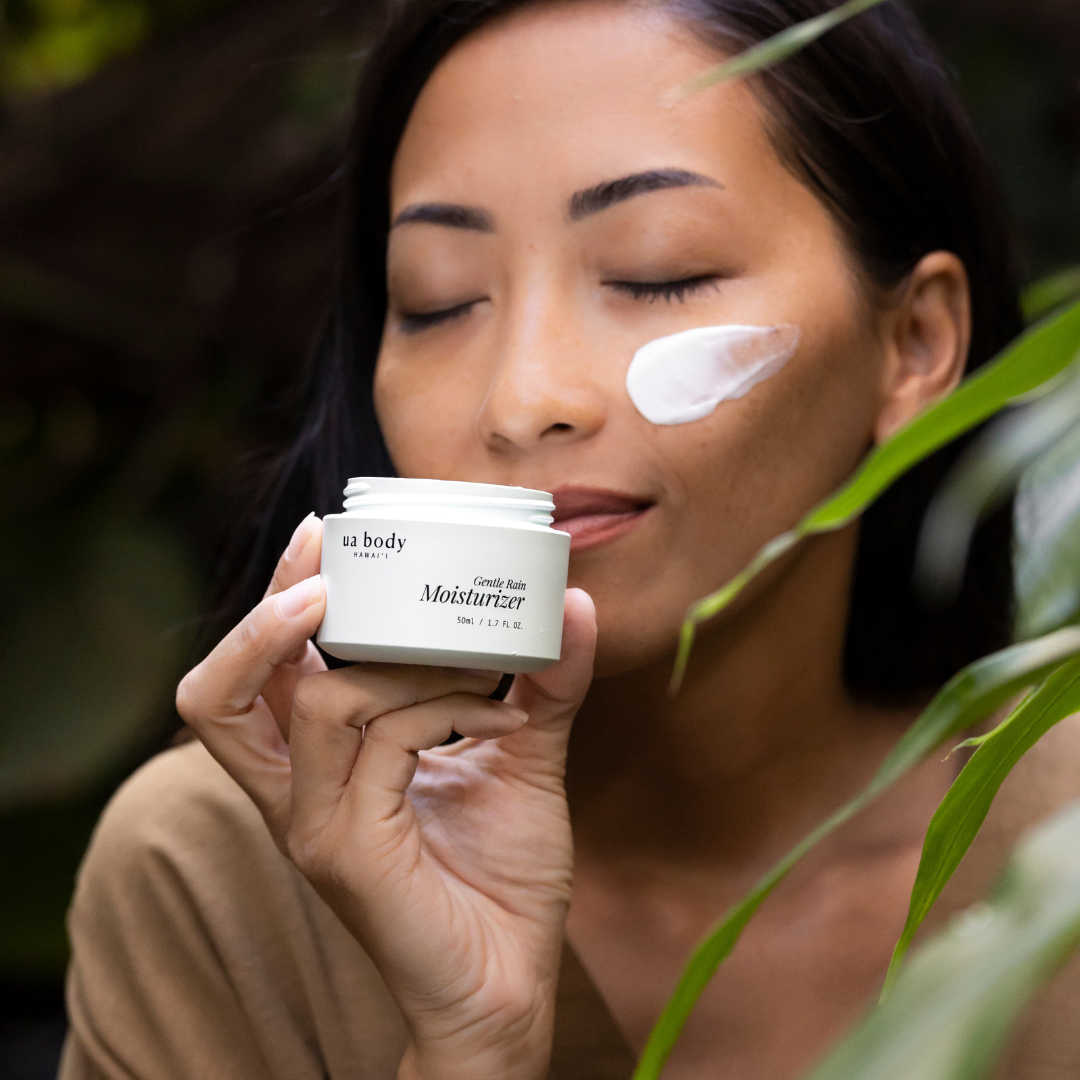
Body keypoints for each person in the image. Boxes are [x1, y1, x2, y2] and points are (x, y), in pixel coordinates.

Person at [57, 1, 1080, 1078]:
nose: (522, 397)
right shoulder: (220, 873)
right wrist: (470, 1048)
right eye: (439, 301)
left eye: (656, 272)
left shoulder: (1057, 851)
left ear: (914, 344)